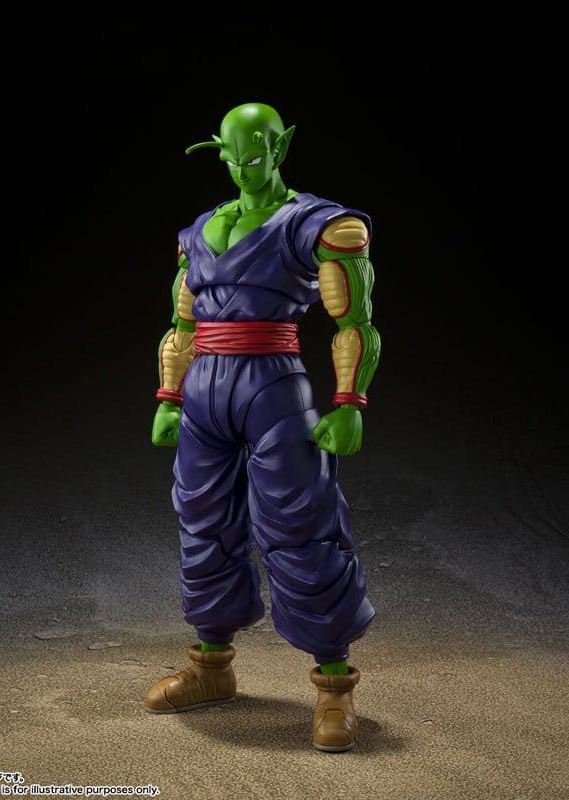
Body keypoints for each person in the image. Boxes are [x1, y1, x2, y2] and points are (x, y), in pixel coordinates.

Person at [144, 102, 381, 752]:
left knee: (301, 522)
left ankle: (334, 685)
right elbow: (183, 323)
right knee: (202, 519)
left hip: (274, 384)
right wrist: (169, 397)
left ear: (282, 146)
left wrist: (349, 402)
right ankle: (210, 667)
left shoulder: (318, 225)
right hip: (206, 388)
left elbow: (354, 321)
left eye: (253, 155)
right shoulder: (202, 230)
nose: (241, 168)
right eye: (228, 156)